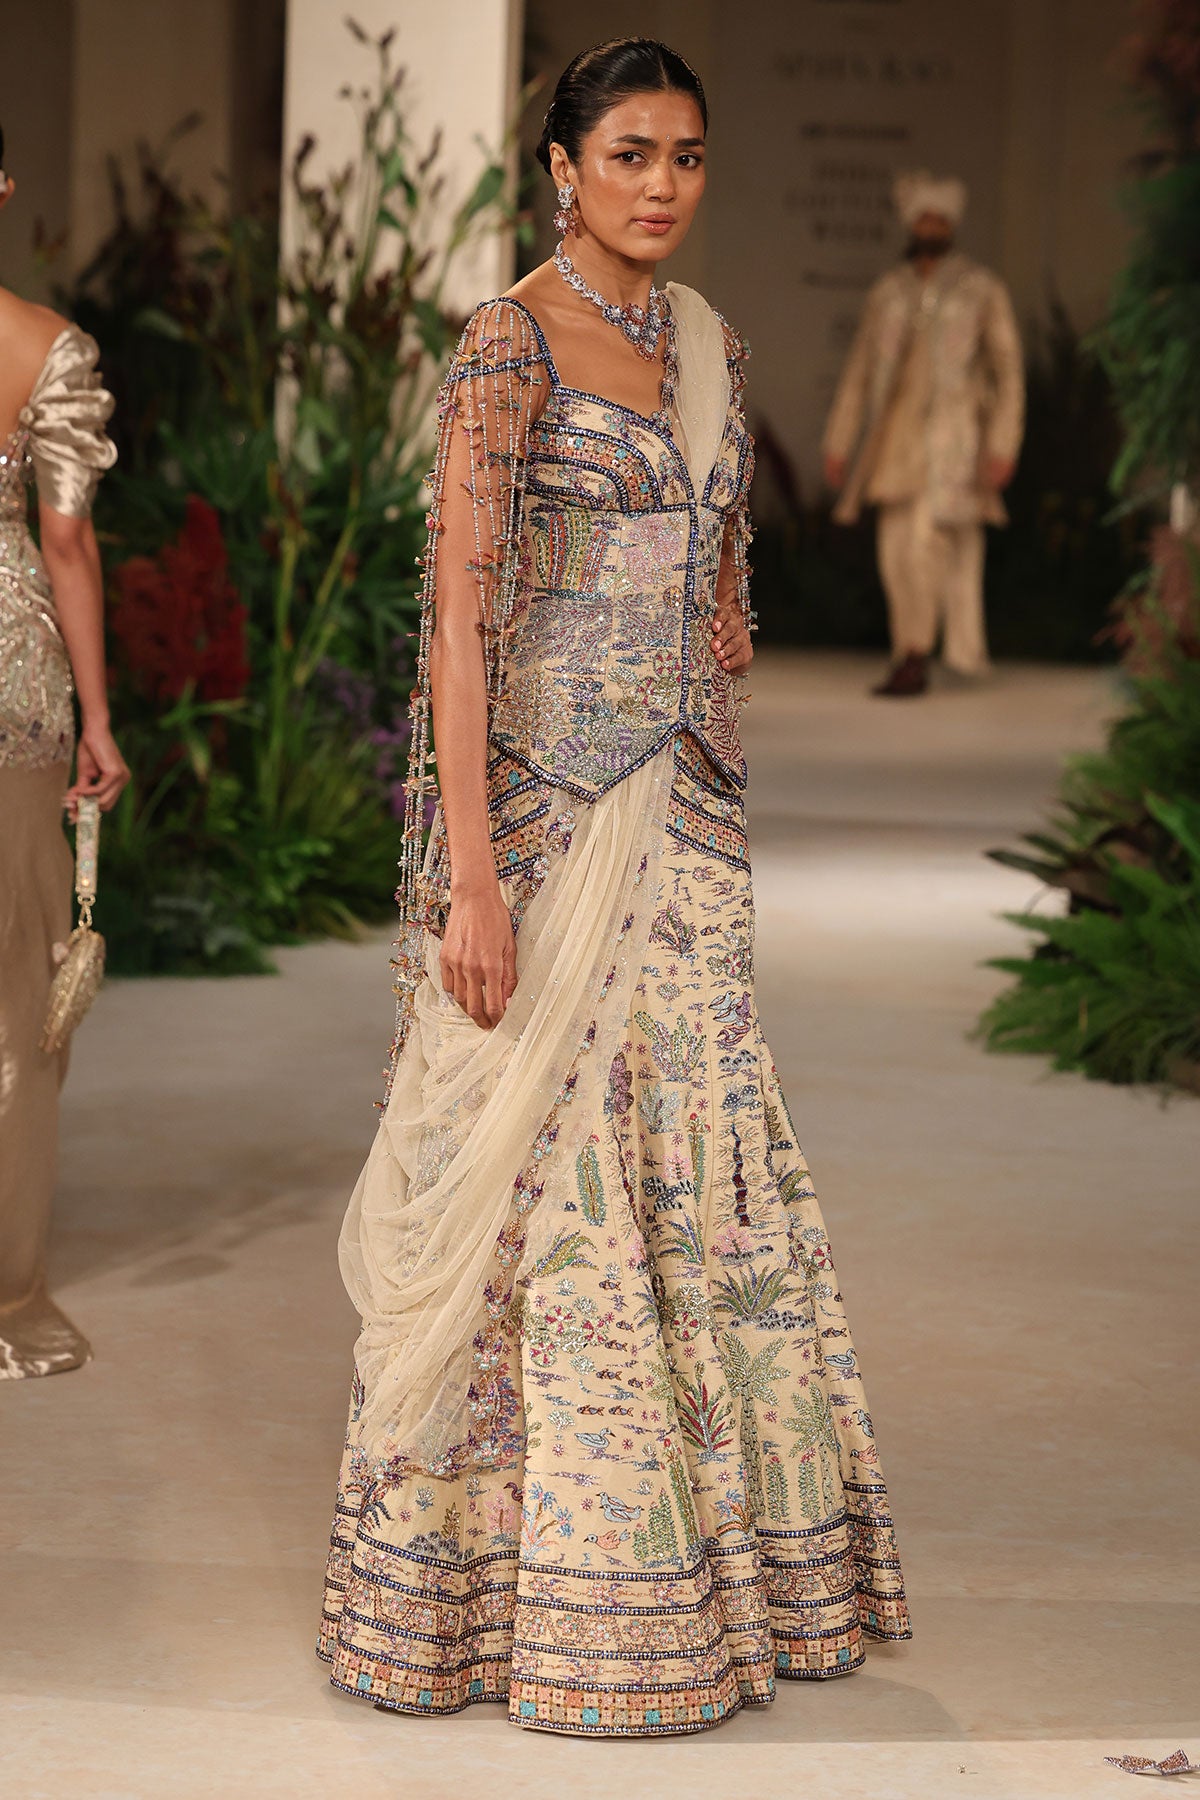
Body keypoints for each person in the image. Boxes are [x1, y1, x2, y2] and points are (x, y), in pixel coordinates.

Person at [319, 38, 910, 1737]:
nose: (662, 184)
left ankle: (716, 1572)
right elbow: (458, 624)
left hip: (690, 826)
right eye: (631, 153)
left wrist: (706, 674)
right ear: (562, 169)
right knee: (543, 1186)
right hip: (548, 822)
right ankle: (522, 1594)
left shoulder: (709, 343)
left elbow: (722, 593)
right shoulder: (504, 347)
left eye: (688, 156)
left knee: (702, 1169)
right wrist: (474, 881)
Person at [0, 126, 128, 1379]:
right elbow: (67, 543)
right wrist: (98, 715)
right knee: (12, 997)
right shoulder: (42, 349)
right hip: (11, 690)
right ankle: (5, 1287)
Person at [823, 170, 1025, 697]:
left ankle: (914, 655)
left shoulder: (979, 289)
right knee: (895, 552)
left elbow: (1008, 370)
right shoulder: (889, 291)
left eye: (939, 219)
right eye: (923, 218)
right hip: (894, 439)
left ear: (951, 225)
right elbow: (860, 369)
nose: (931, 227)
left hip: (953, 438)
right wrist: (840, 441)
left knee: (925, 544)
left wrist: (1003, 443)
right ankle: (908, 652)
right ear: (912, 225)